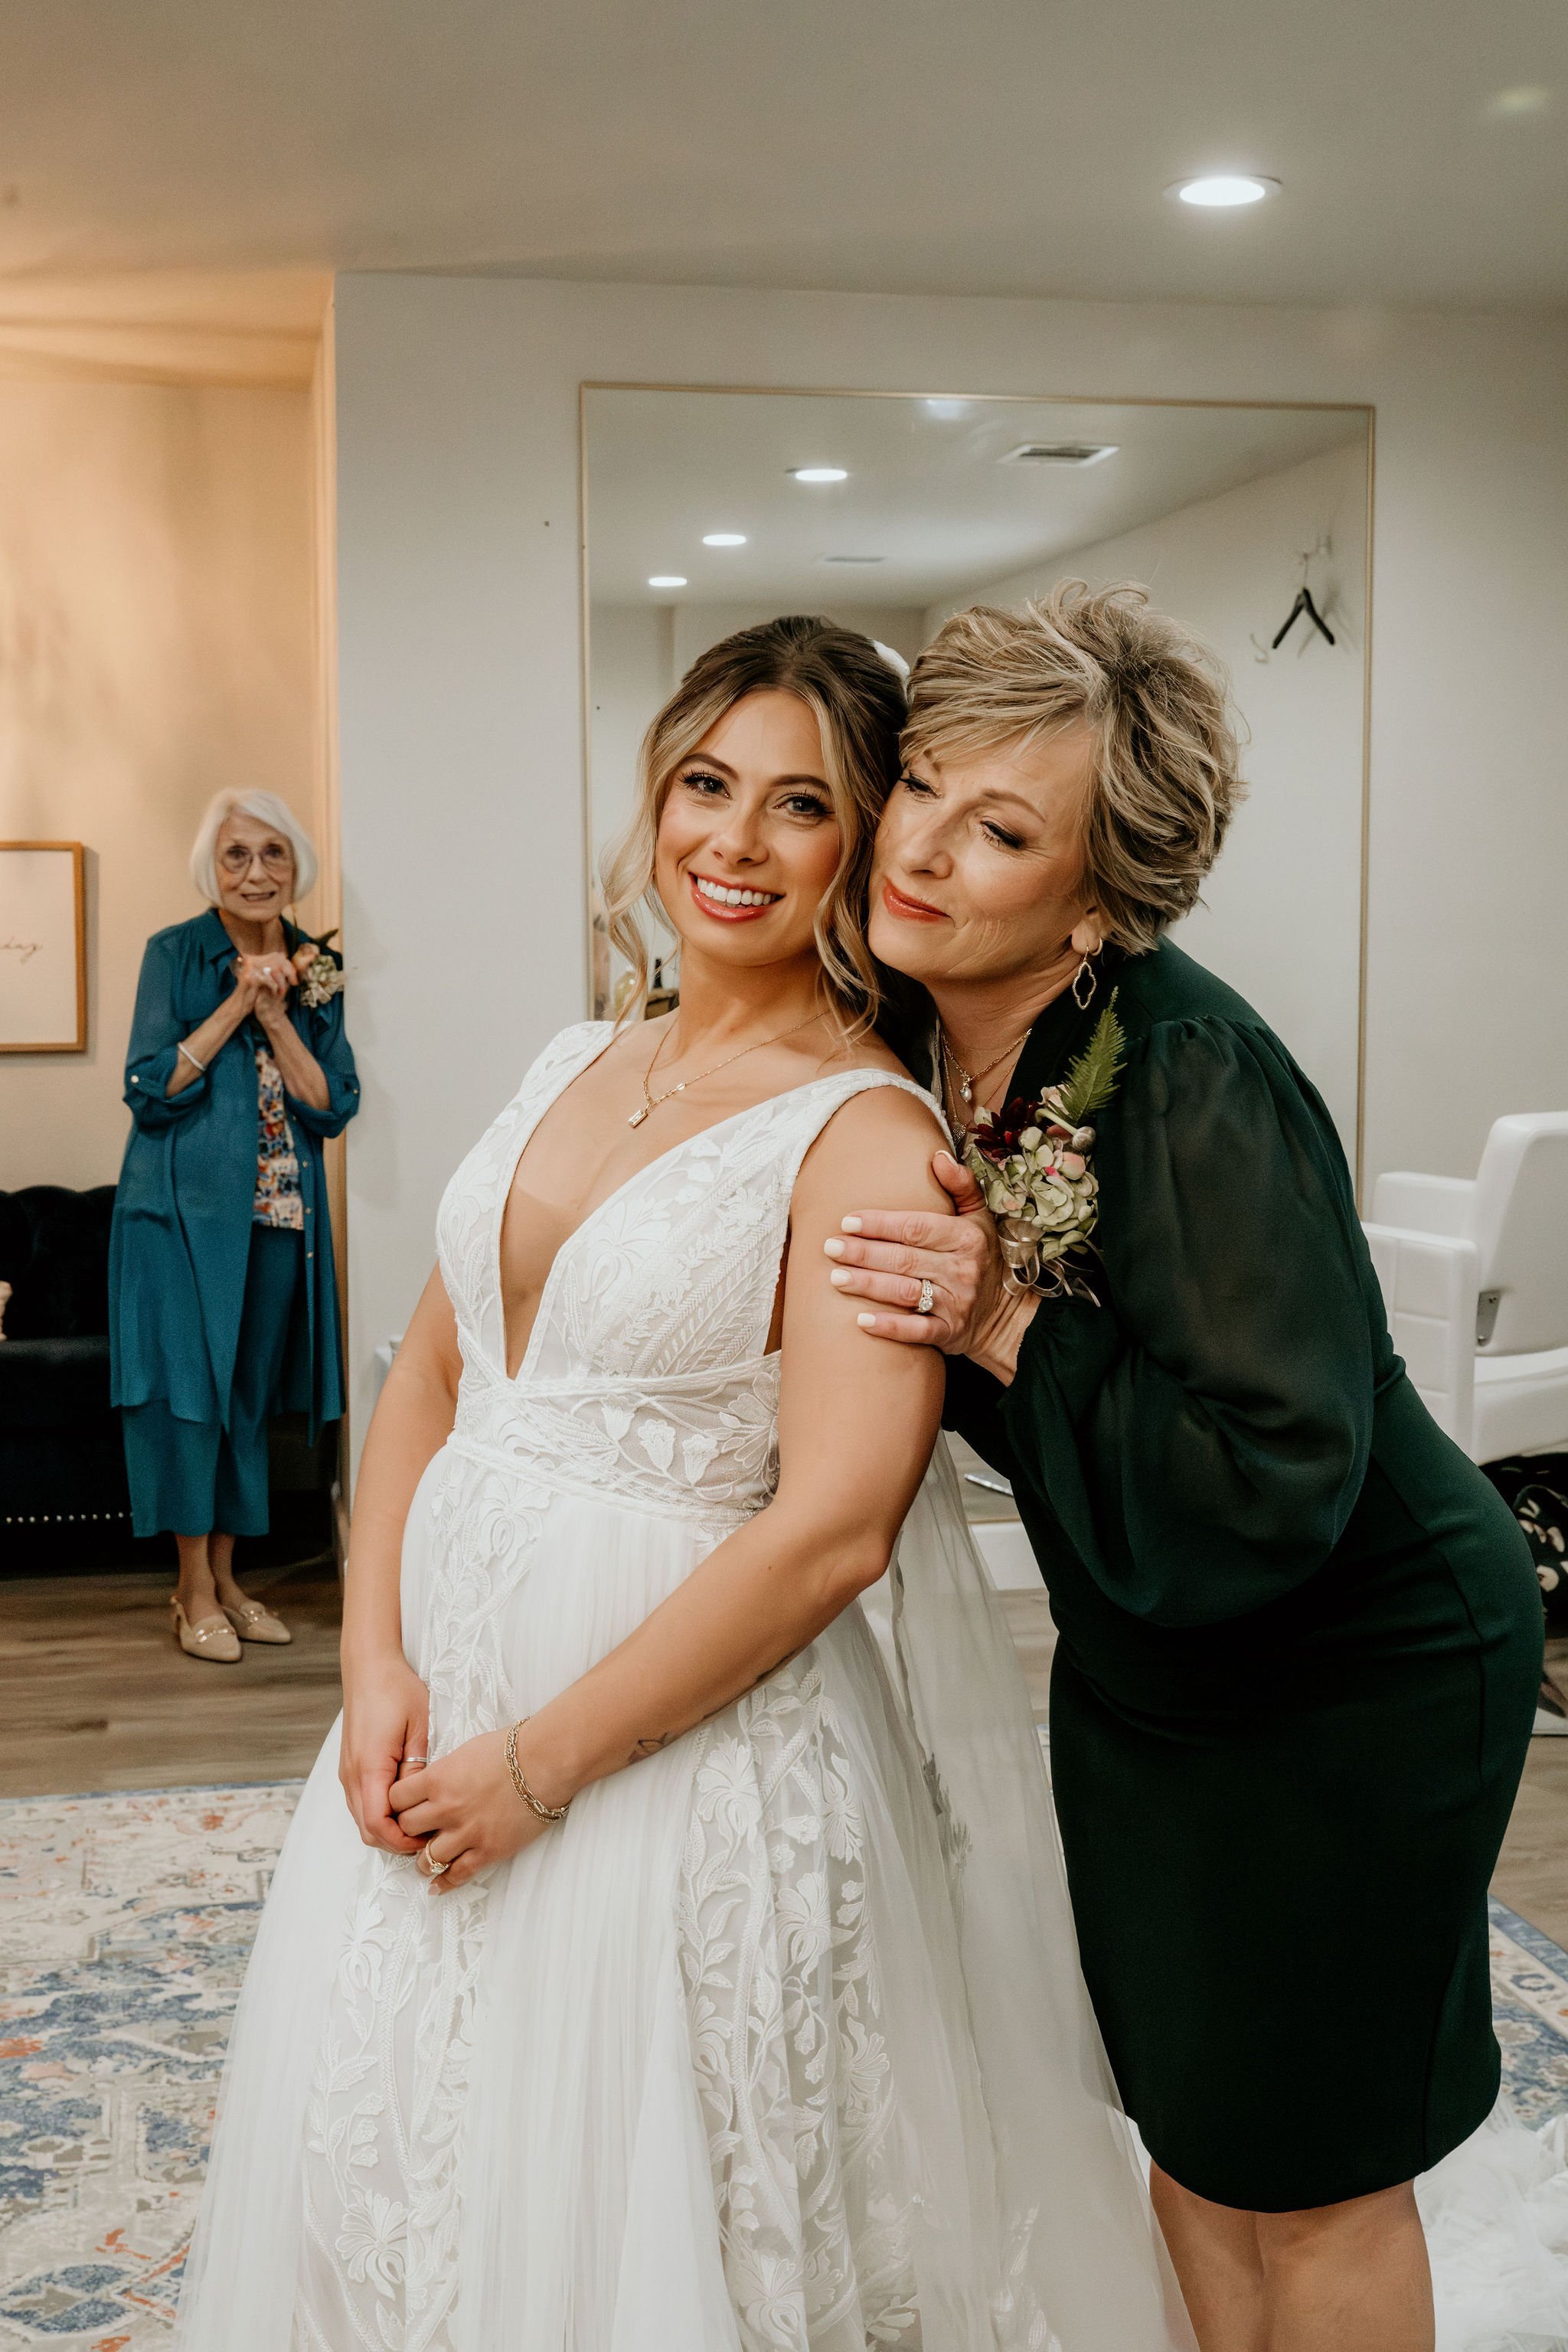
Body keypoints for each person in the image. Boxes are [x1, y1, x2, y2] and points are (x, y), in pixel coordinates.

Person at [175, 618, 1188, 2351]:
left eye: (797, 803)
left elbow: (835, 1528)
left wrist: (539, 1767)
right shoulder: (571, 1055)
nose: (731, 838)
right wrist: (371, 1665)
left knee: (654, 2205)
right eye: (706, 782)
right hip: (436, 1709)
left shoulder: (867, 1135)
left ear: (861, 841)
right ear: (656, 795)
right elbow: (428, 1373)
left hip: (665, 1768)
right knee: (404, 2155)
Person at [825, 584, 1558, 2352]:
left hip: (1347, 1667)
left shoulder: (1189, 1073)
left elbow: (1272, 1468)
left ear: (1092, 897)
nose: (916, 844)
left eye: (995, 827)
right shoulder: (941, 1033)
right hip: (1153, 1674)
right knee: (1193, 2124)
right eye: (920, 781)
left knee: (1310, 2173)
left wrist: (1003, 1321)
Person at [110, 791, 358, 1660]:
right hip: (176, 1220)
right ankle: (190, 1591)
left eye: (273, 855)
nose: (256, 873)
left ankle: (227, 1578)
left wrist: (279, 1012)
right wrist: (235, 1005)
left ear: (296, 869)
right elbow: (150, 1091)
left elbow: (332, 1107)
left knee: (245, 1403)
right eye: (236, 857)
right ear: (210, 871)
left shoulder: (317, 963)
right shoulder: (174, 955)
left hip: (280, 1217)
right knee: (190, 1402)